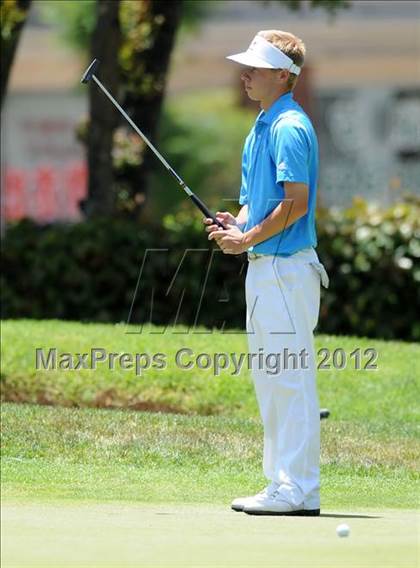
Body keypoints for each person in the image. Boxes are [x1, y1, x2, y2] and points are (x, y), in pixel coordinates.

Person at [204, 30, 329, 516]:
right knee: (270, 377)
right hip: (265, 269)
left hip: (285, 269)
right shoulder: (261, 125)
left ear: (284, 75)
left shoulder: (289, 127)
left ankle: (298, 488)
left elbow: (294, 204)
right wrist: (238, 222)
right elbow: (261, 203)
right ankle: (282, 483)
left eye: (255, 67)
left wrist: (246, 239)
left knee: (289, 377)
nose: (245, 74)